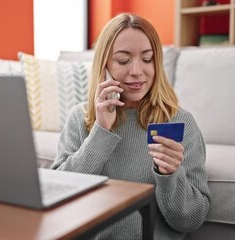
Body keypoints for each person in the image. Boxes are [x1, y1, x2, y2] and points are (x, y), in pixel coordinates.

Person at [51, 13, 211, 240]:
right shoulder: (80, 118)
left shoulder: (180, 122)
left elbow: (190, 220)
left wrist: (170, 175)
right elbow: (59, 197)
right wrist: (101, 133)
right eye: (123, 60)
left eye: (147, 59)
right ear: (104, 65)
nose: (137, 71)